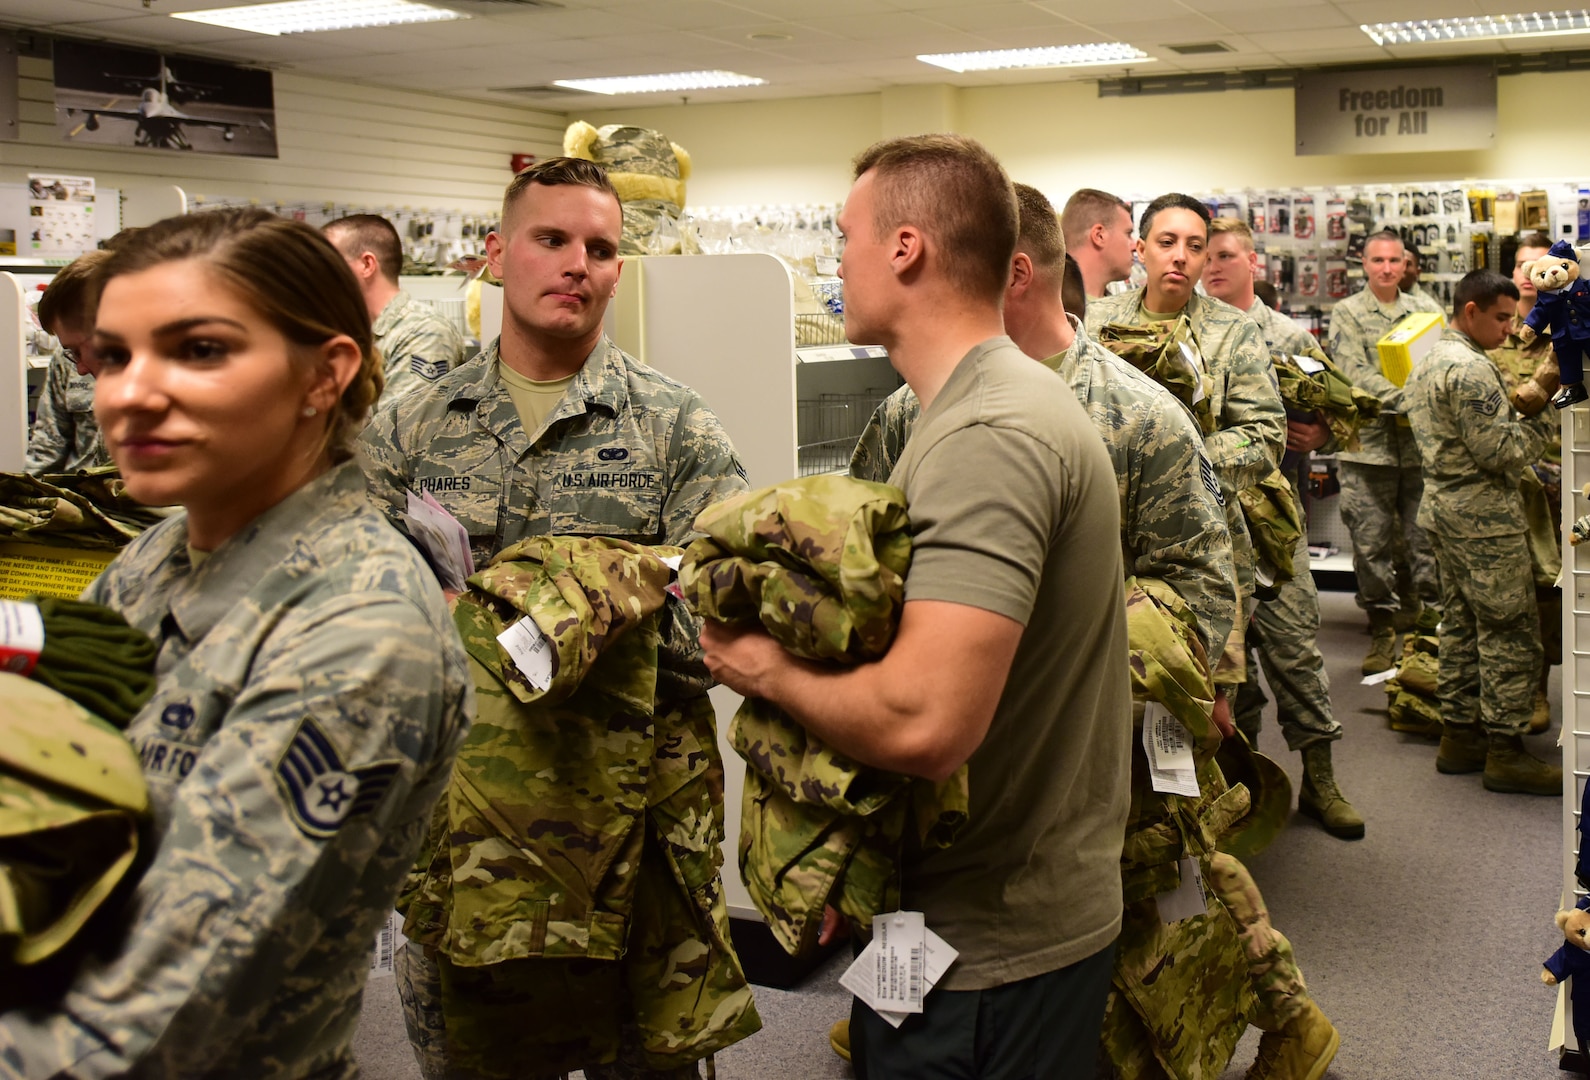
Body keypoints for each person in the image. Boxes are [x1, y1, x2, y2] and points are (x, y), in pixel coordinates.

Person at [0, 207, 472, 1077]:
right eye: (111, 355)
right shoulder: (155, 558)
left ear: (323, 375)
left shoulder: (360, 626)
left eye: (200, 350)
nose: (129, 392)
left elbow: (157, 1009)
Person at [702, 135, 1131, 1079]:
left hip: (992, 953)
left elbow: (926, 721)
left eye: (843, 235)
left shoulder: (992, 433)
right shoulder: (968, 411)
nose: (835, 260)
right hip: (978, 923)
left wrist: (758, 667)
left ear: (906, 248)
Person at [360, 157, 753, 1080]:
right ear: (497, 255)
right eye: (551, 240)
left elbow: (728, 629)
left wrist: (570, 622)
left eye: (601, 248)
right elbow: (358, 611)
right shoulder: (410, 429)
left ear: (621, 270)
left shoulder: (676, 429)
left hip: (635, 843)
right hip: (466, 840)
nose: (578, 262)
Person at [1085, 194, 1290, 798]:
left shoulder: (1234, 332)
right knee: (1104, 698)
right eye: (1167, 242)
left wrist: (1176, 468)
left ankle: (1204, 850)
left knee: (1197, 706)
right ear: (1139, 249)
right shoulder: (1094, 325)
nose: (1180, 257)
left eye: (1195, 246)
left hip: (1202, 548)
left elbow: (1264, 437)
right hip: (1104, 546)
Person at [1202, 216, 1360, 839]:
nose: (1211, 265)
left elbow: (1347, 412)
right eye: (1204, 255)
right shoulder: (1189, 335)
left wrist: (1322, 433)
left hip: (1274, 526)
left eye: (1223, 255)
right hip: (1209, 529)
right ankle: (1246, 782)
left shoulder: (1286, 335)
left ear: (1254, 263)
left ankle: (1321, 782)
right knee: (1225, 667)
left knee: (1295, 651)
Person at [1405, 269, 1562, 796]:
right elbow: (1502, 453)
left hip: (1447, 513)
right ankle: (1505, 750)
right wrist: (1542, 404)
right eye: (1500, 317)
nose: (1508, 328)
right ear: (1470, 311)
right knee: (1510, 633)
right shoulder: (1469, 370)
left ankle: (1460, 737)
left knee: (1464, 627)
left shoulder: (1428, 360)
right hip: (1484, 522)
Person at [1327, 230, 1445, 674]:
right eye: (1378, 260)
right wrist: (1409, 398)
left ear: (1405, 263)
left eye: (1394, 260)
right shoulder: (1348, 313)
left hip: (1419, 449)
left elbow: (1440, 363)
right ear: (1365, 264)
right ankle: (1381, 630)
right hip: (1367, 451)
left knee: (1425, 544)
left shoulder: (1428, 311)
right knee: (1370, 547)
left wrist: (1417, 396)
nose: (1387, 268)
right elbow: (1353, 374)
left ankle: (1424, 631)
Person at [1492, 232, 1563, 732]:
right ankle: (1499, 696)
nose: (1527, 273)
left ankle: (1538, 688)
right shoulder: (1494, 339)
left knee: (1548, 592)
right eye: (1520, 265)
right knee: (1502, 593)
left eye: (1536, 264)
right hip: (1505, 481)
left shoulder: (1570, 336)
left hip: (1560, 479)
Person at [323, 214, 465, 402]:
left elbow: (402, 425)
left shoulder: (424, 332)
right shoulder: (351, 331)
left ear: (367, 265)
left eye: (328, 263)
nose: (319, 273)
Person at [24, 249, 113, 474]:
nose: (80, 368)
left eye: (79, 350)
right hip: (81, 499)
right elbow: (48, 448)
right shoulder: (67, 362)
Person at [1062, 187, 1136, 301]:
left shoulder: (1120, 311)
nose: (1134, 246)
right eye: (1128, 234)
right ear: (1099, 236)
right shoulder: (1050, 311)